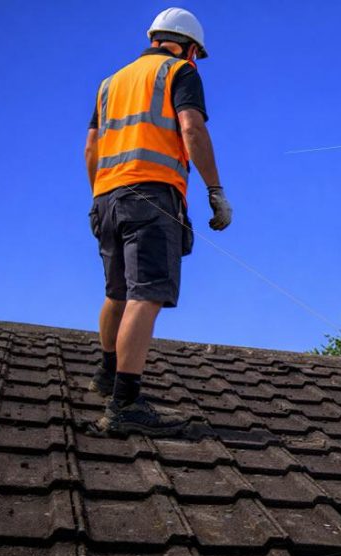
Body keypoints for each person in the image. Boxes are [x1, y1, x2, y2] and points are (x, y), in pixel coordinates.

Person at [84, 8, 232, 435]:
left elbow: (91, 146)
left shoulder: (110, 82)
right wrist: (215, 190)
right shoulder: (179, 72)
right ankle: (125, 404)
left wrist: (99, 194)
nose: (196, 61)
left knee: (116, 292)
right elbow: (192, 130)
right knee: (145, 294)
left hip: (107, 196)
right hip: (152, 196)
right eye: (196, 54)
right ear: (189, 47)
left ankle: (108, 375)